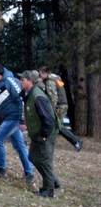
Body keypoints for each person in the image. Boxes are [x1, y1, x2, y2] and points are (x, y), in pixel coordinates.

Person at [0, 62, 33, 180]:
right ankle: (29, 172)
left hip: (14, 118)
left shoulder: (11, 82)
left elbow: (21, 101)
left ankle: (1, 169)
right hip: (6, 117)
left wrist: (22, 121)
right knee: (19, 146)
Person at [20, 70, 58, 198]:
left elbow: (49, 118)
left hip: (45, 133)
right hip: (37, 133)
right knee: (33, 158)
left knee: (45, 161)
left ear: (30, 81)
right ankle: (52, 181)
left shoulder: (38, 96)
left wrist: (43, 135)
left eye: (22, 80)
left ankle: (49, 190)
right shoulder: (29, 94)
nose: (20, 82)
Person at [38, 67, 82, 152]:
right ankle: (75, 141)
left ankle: (76, 141)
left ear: (44, 73)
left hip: (59, 106)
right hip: (63, 104)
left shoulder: (50, 82)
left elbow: (53, 98)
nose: (40, 77)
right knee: (57, 125)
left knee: (57, 125)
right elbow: (61, 89)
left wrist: (50, 110)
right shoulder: (57, 79)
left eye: (40, 74)